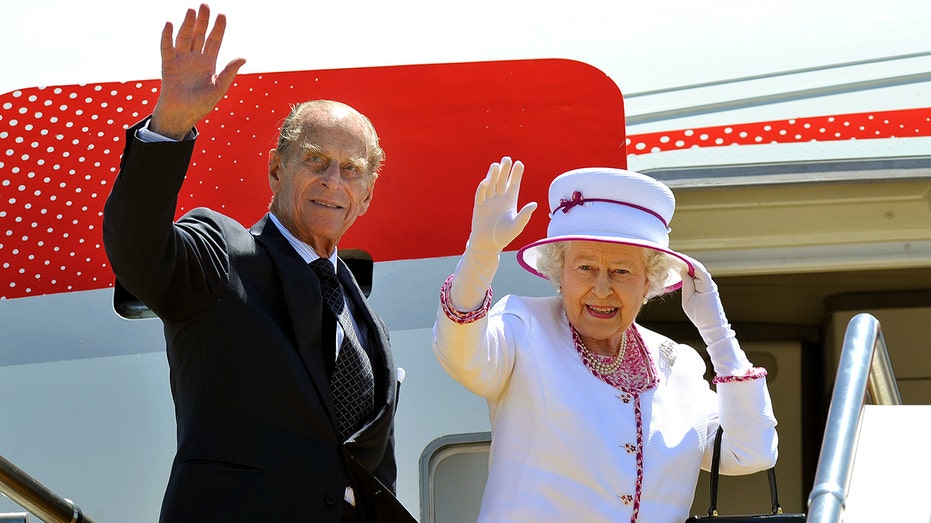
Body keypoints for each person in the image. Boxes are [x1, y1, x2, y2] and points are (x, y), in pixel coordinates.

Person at [102, 5, 414, 522]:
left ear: (366, 196)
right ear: (275, 168)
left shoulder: (366, 321)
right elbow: (137, 248)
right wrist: (170, 125)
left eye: (351, 170)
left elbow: (370, 474)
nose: (332, 181)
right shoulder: (220, 255)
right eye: (314, 160)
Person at [432, 157, 779, 522]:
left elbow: (751, 451)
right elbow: (461, 356)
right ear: (559, 272)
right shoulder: (524, 327)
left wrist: (717, 332)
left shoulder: (679, 366)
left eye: (621, 271)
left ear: (649, 282)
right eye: (585, 268)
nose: (601, 289)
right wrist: (481, 254)